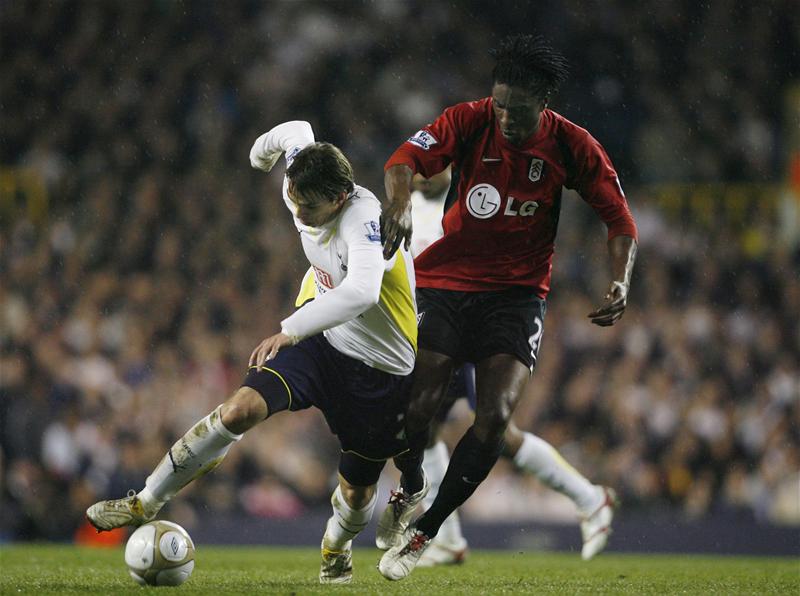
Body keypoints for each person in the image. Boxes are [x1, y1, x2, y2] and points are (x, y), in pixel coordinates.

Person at [86, 120, 421, 585]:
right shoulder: (301, 182)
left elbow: (362, 293)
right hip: (323, 342)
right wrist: (259, 155)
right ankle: (145, 500)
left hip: (379, 369)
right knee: (239, 410)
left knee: (358, 492)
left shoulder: (365, 222)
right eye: (295, 200)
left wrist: (288, 329)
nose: (299, 214)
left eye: (310, 207)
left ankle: (336, 545)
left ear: (340, 197)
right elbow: (295, 130)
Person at [376, 35, 638, 581]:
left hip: (516, 299)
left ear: (543, 100)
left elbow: (620, 221)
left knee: (495, 422)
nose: (504, 118)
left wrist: (620, 282)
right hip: (445, 286)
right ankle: (410, 489)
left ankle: (427, 533)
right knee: (418, 414)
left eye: (516, 110)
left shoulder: (572, 145)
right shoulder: (469, 120)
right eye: (498, 105)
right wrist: (398, 202)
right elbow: (403, 159)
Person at [402, 171, 619, 567]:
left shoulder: (470, 200)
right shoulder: (405, 208)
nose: (427, 172)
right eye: (422, 165)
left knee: (492, 428)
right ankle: (448, 538)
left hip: (473, 326)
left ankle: (589, 497)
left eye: (438, 165)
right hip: (433, 325)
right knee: (426, 426)